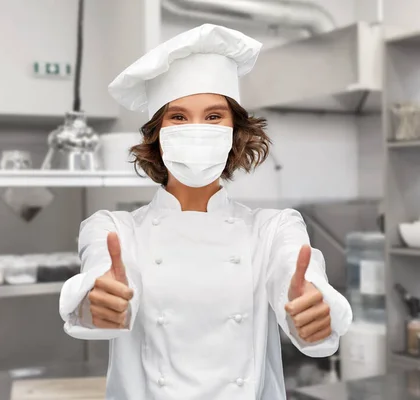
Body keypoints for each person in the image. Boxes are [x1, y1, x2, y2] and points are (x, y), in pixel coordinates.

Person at [59, 23, 352, 400]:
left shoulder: (273, 228)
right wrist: (94, 305)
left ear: (235, 131)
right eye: (178, 117)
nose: (196, 130)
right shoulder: (113, 229)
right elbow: (98, 280)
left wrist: (315, 317)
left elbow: (299, 283)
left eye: (214, 117)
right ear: (156, 135)